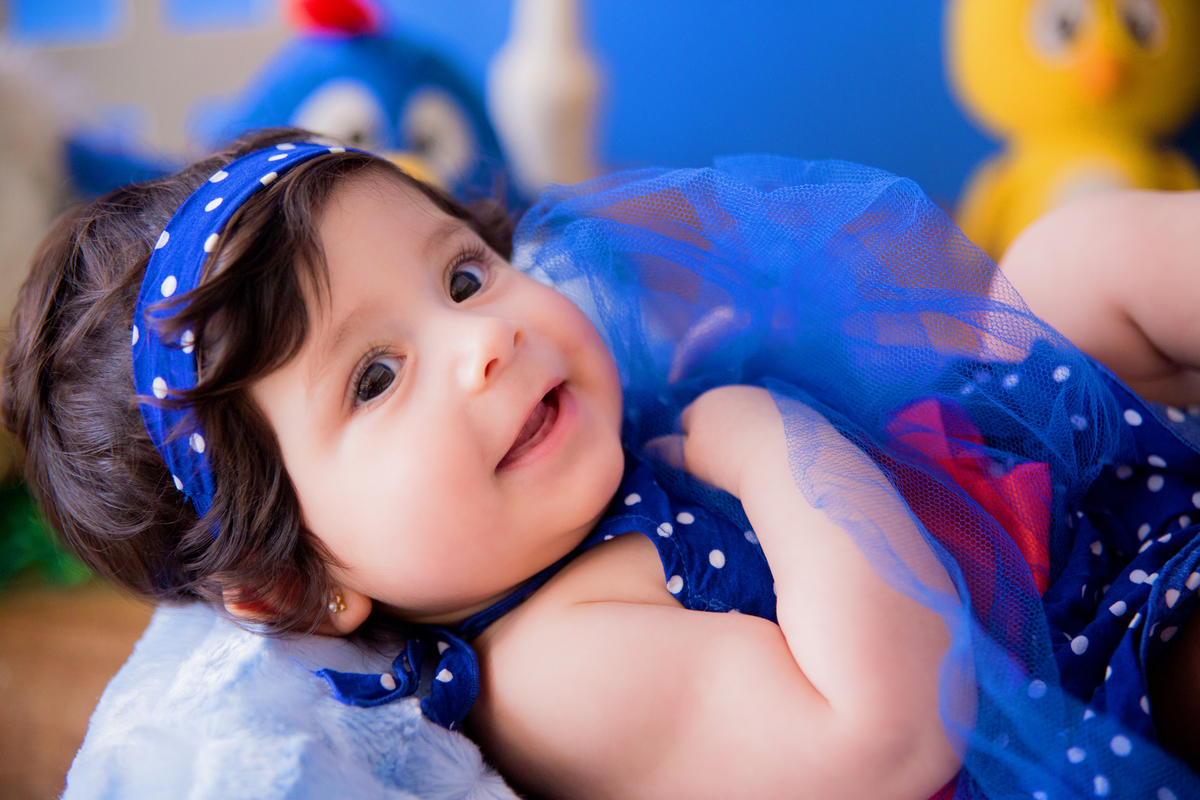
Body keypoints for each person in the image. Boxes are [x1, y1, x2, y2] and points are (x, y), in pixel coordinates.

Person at [3, 128, 1196, 799]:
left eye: (462, 274)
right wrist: (774, 446)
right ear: (298, 585)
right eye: (374, 376)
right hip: (1069, 671)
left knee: (1072, 257)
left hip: (1022, 510)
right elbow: (889, 733)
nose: (482, 339)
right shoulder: (556, 665)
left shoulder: (585, 451)